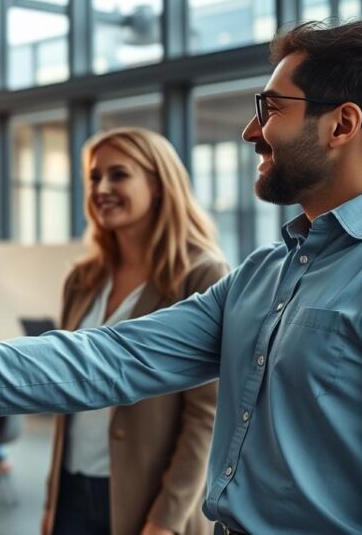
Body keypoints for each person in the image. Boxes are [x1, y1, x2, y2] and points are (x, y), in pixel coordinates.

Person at [0, 20, 362, 534]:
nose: (250, 131)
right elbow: (104, 358)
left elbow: (196, 418)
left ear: (342, 125)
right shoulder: (262, 277)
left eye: (269, 109)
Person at [42, 128, 226, 535]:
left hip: (148, 500)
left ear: (159, 185)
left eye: (119, 175)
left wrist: (167, 518)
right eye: (94, 177)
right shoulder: (82, 278)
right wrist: (52, 499)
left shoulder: (200, 275)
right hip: (72, 489)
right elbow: (64, 387)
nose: (102, 188)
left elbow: (205, 416)